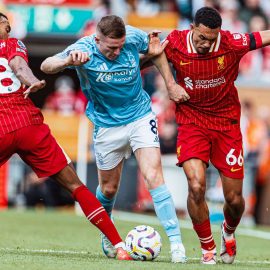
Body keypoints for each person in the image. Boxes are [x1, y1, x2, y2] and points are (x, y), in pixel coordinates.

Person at [40, 15, 188, 263]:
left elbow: (156, 51)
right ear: (97, 39)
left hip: (140, 115)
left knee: (154, 176)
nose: (117, 51)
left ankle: (176, 243)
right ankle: (108, 236)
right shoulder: (82, 48)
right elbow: (47, 65)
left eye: (121, 46)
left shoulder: (132, 36)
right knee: (108, 188)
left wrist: (171, 85)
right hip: (107, 125)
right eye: (111, 47)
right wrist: (67, 60)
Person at [0, 12, 131, 261]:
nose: (10, 24)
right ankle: (118, 245)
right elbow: (18, 66)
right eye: (7, 21)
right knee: (75, 186)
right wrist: (32, 81)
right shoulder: (13, 43)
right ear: (4, 24)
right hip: (28, 124)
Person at [145, 6, 270, 265]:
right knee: (196, 184)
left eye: (211, 39)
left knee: (235, 200)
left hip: (226, 125)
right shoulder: (176, 41)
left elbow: (262, 37)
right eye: (201, 37)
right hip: (192, 123)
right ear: (192, 29)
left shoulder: (232, 43)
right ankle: (207, 247)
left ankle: (228, 231)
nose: (205, 44)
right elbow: (149, 57)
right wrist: (170, 83)